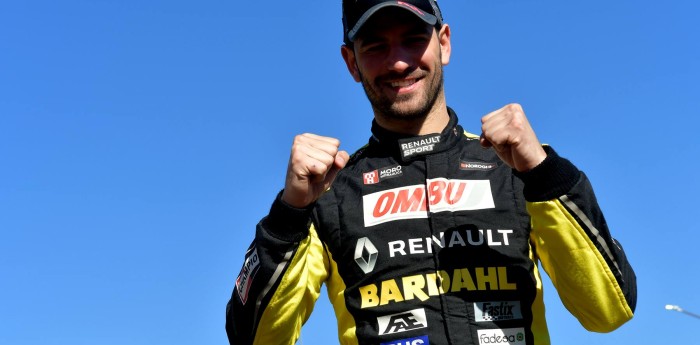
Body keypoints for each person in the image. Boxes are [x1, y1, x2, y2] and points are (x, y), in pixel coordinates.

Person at [225, 0, 637, 344]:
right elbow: (252, 338)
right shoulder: (327, 192)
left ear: (444, 42)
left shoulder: (516, 167)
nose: (399, 62)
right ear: (351, 63)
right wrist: (289, 213)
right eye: (375, 46)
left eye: (412, 39)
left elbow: (608, 309)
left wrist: (545, 172)